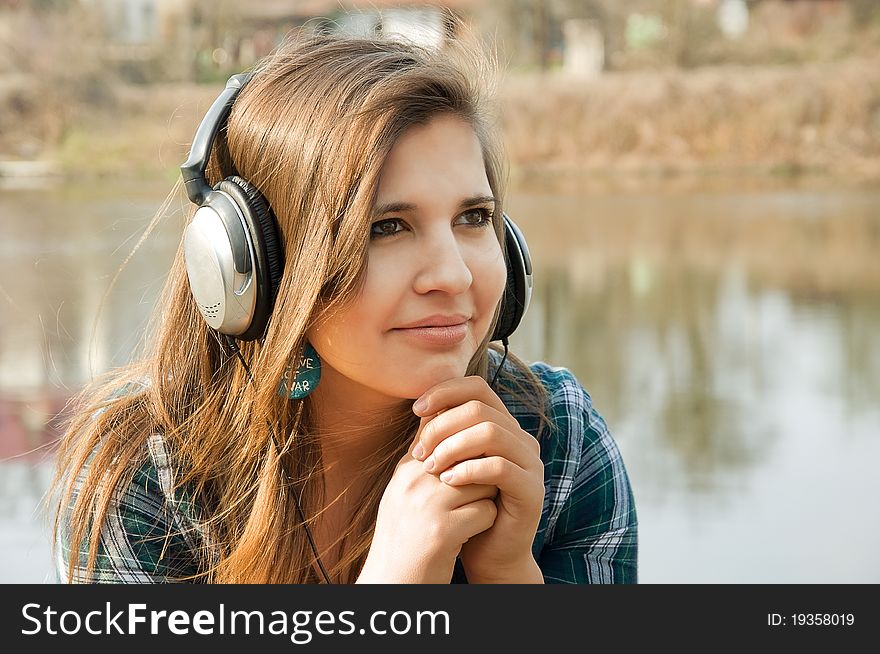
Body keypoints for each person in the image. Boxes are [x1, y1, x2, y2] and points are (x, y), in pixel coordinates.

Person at [51, 32, 637, 584]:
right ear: (254, 265)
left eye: (473, 217)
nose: (454, 275)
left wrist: (507, 575)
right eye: (387, 227)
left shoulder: (557, 439)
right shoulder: (146, 475)